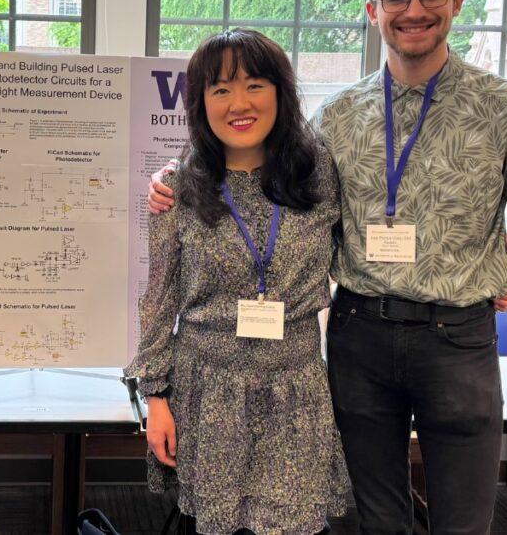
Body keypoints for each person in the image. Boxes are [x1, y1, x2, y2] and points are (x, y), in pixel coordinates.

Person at [149, 0, 507, 535]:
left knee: (463, 522)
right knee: (375, 519)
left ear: (457, 2)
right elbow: (268, 189)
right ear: (374, 10)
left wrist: (469, 260)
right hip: (358, 333)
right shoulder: (337, 115)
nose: (413, 9)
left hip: (456, 338)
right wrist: (170, 176)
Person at [126, 29, 348, 535]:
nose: (238, 103)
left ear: (281, 94)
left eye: (254, 85)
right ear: (201, 104)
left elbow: (358, 254)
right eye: (220, 90)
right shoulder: (178, 188)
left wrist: (475, 281)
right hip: (208, 390)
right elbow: (158, 298)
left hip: (295, 388)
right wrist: (156, 398)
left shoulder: (319, 177)